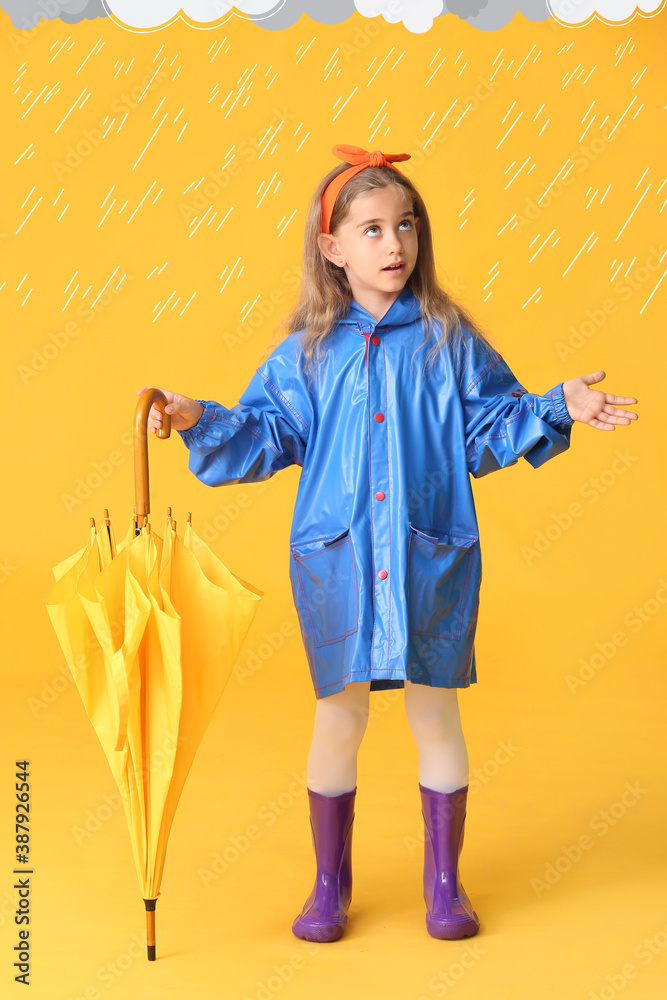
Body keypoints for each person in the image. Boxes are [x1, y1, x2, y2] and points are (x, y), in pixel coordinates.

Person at [137, 143, 638, 945]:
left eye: (405, 225)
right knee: (338, 718)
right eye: (370, 230)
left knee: (434, 712)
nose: (394, 244)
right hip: (335, 557)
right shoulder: (306, 352)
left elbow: (488, 427)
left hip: (428, 552)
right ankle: (327, 887)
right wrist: (200, 415)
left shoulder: (446, 340)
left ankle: (445, 883)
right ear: (331, 247)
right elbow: (268, 433)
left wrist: (556, 403)